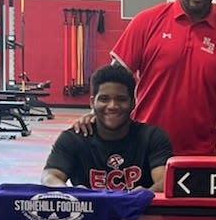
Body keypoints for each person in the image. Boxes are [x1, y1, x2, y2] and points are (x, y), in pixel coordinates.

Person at [75, 0, 216, 156]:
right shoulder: (147, 21)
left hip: (200, 155)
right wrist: (94, 114)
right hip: (142, 149)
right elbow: (115, 77)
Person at [41, 65, 172, 191]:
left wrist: (144, 196)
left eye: (121, 99)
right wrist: (73, 194)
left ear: (133, 103)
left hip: (139, 213)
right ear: (92, 102)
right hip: (91, 214)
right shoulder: (73, 139)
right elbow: (50, 176)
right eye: (104, 99)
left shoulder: (152, 137)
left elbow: (164, 181)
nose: (112, 106)